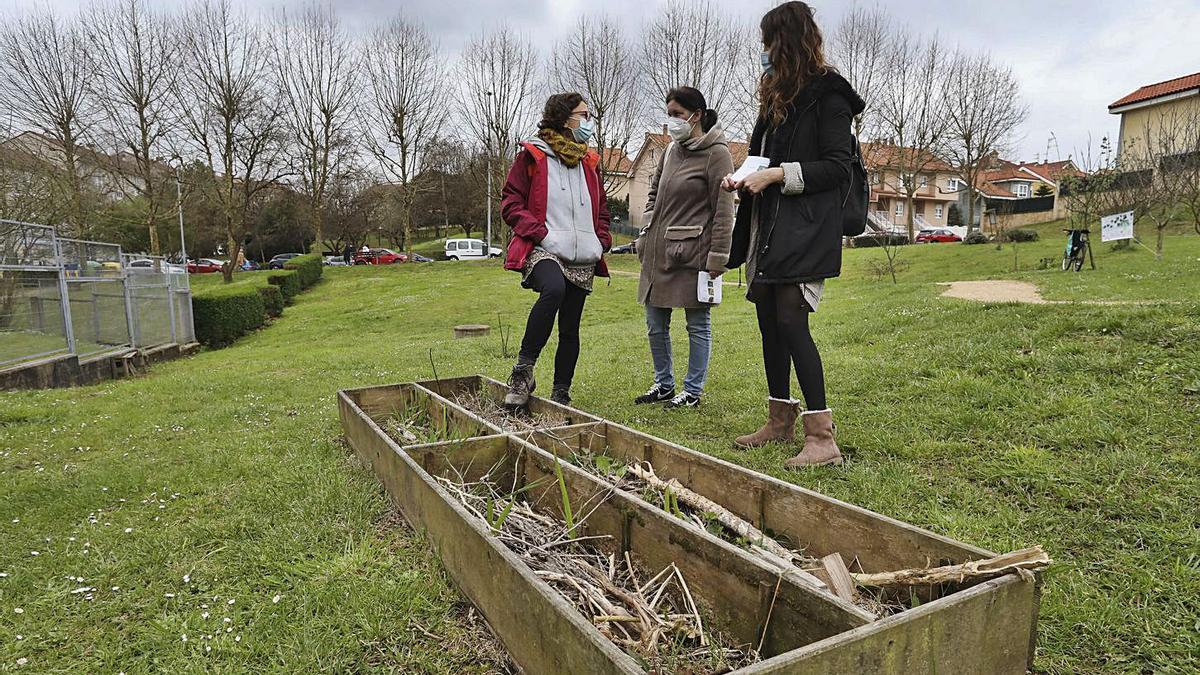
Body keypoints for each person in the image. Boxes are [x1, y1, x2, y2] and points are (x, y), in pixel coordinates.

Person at [723, 1, 865, 467]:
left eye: (768, 43)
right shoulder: (774, 98)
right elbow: (760, 159)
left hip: (805, 228)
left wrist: (778, 176)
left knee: (790, 321)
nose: (762, 52)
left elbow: (837, 169)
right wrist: (744, 175)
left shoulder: (830, 96)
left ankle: (822, 438)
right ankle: (779, 420)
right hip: (769, 226)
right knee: (767, 318)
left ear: (785, 43)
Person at [501, 92, 612, 408]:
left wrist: (601, 239)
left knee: (570, 327)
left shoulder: (589, 163)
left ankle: (561, 392)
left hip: (582, 256)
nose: (589, 122)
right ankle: (522, 373)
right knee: (553, 290)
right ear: (565, 119)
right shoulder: (533, 157)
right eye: (584, 115)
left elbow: (602, 209)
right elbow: (510, 202)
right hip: (544, 249)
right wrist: (540, 233)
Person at [634, 87, 734, 409]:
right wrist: (648, 226)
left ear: (697, 115)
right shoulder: (669, 151)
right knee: (654, 322)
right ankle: (664, 384)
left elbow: (723, 210)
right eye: (669, 114)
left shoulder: (717, 154)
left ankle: (692, 391)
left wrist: (718, 256)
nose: (673, 121)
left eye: (678, 114)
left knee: (697, 324)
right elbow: (653, 193)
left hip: (694, 254)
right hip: (658, 251)